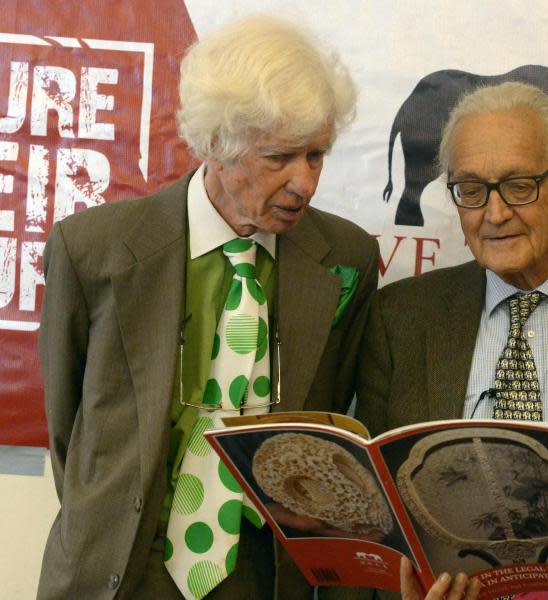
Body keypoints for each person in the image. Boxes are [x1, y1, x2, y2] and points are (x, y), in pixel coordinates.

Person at [37, 16, 379, 600]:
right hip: (118, 565)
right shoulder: (92, 249)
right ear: (219, 145)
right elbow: (69, 427)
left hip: (263, 570)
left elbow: (332, 411)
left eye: (317, 155)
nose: (305, 183)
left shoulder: (346, 257)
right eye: (280, 158)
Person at [347, 81, 548, 600]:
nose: (495, 214)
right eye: (472, 190)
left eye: (519, 186)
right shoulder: (402, 316)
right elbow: (374, 513)